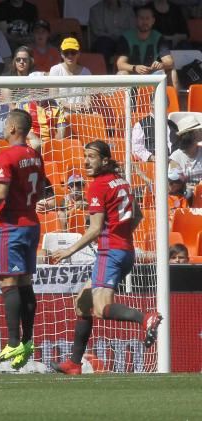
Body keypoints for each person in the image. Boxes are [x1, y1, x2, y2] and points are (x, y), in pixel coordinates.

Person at [48, 140, 163, 375]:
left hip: (109, 253)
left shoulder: (98, 186)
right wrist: (120, 235)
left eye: (91, 156)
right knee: (83, 303)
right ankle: (74, 363)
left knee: (100, 309)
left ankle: (146, 318)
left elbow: (95, 229)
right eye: (85, 156)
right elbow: (137, 215)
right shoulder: (122, 182)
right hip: (125, 251)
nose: (86, 161)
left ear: (105, 160)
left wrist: (69, 251)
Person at [0, 109, 48, 371]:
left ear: (12, 129)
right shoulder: (35, 155)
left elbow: (0, 193)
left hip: (12, 226)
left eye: (6, 125)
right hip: (32, 223)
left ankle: (12, 341)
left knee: (7, 281)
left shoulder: (8, 155)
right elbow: (41, 189)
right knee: (25, 281)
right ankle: (28, 340)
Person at [115, 7, 175, 81]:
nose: (145, 22)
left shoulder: (158, 37)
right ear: (136, 20)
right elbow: (120, 64)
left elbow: (170, 62)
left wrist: (162, 64)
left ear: (153, 21)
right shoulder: (126, 37)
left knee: (173, 72)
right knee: (122, 73)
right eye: (141, 18)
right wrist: (135, 68)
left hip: (152, 76)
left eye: (147, 18)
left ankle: (174, 93)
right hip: (132, 75)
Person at [88, 0, 135, 66]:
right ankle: (105, 72)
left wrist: (120, 38)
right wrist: (114, 36)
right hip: (104, 42)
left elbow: (132, 29)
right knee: (103, 43)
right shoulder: (95, 9)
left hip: (122, 40)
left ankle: (125, 70)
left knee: (126, 42)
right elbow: (97, 32)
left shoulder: (128, 9)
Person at [169, 112, 202, 186]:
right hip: (185, 195)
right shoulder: (175, 158)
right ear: (193, 135)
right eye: (199, 130)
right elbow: (174, 184)